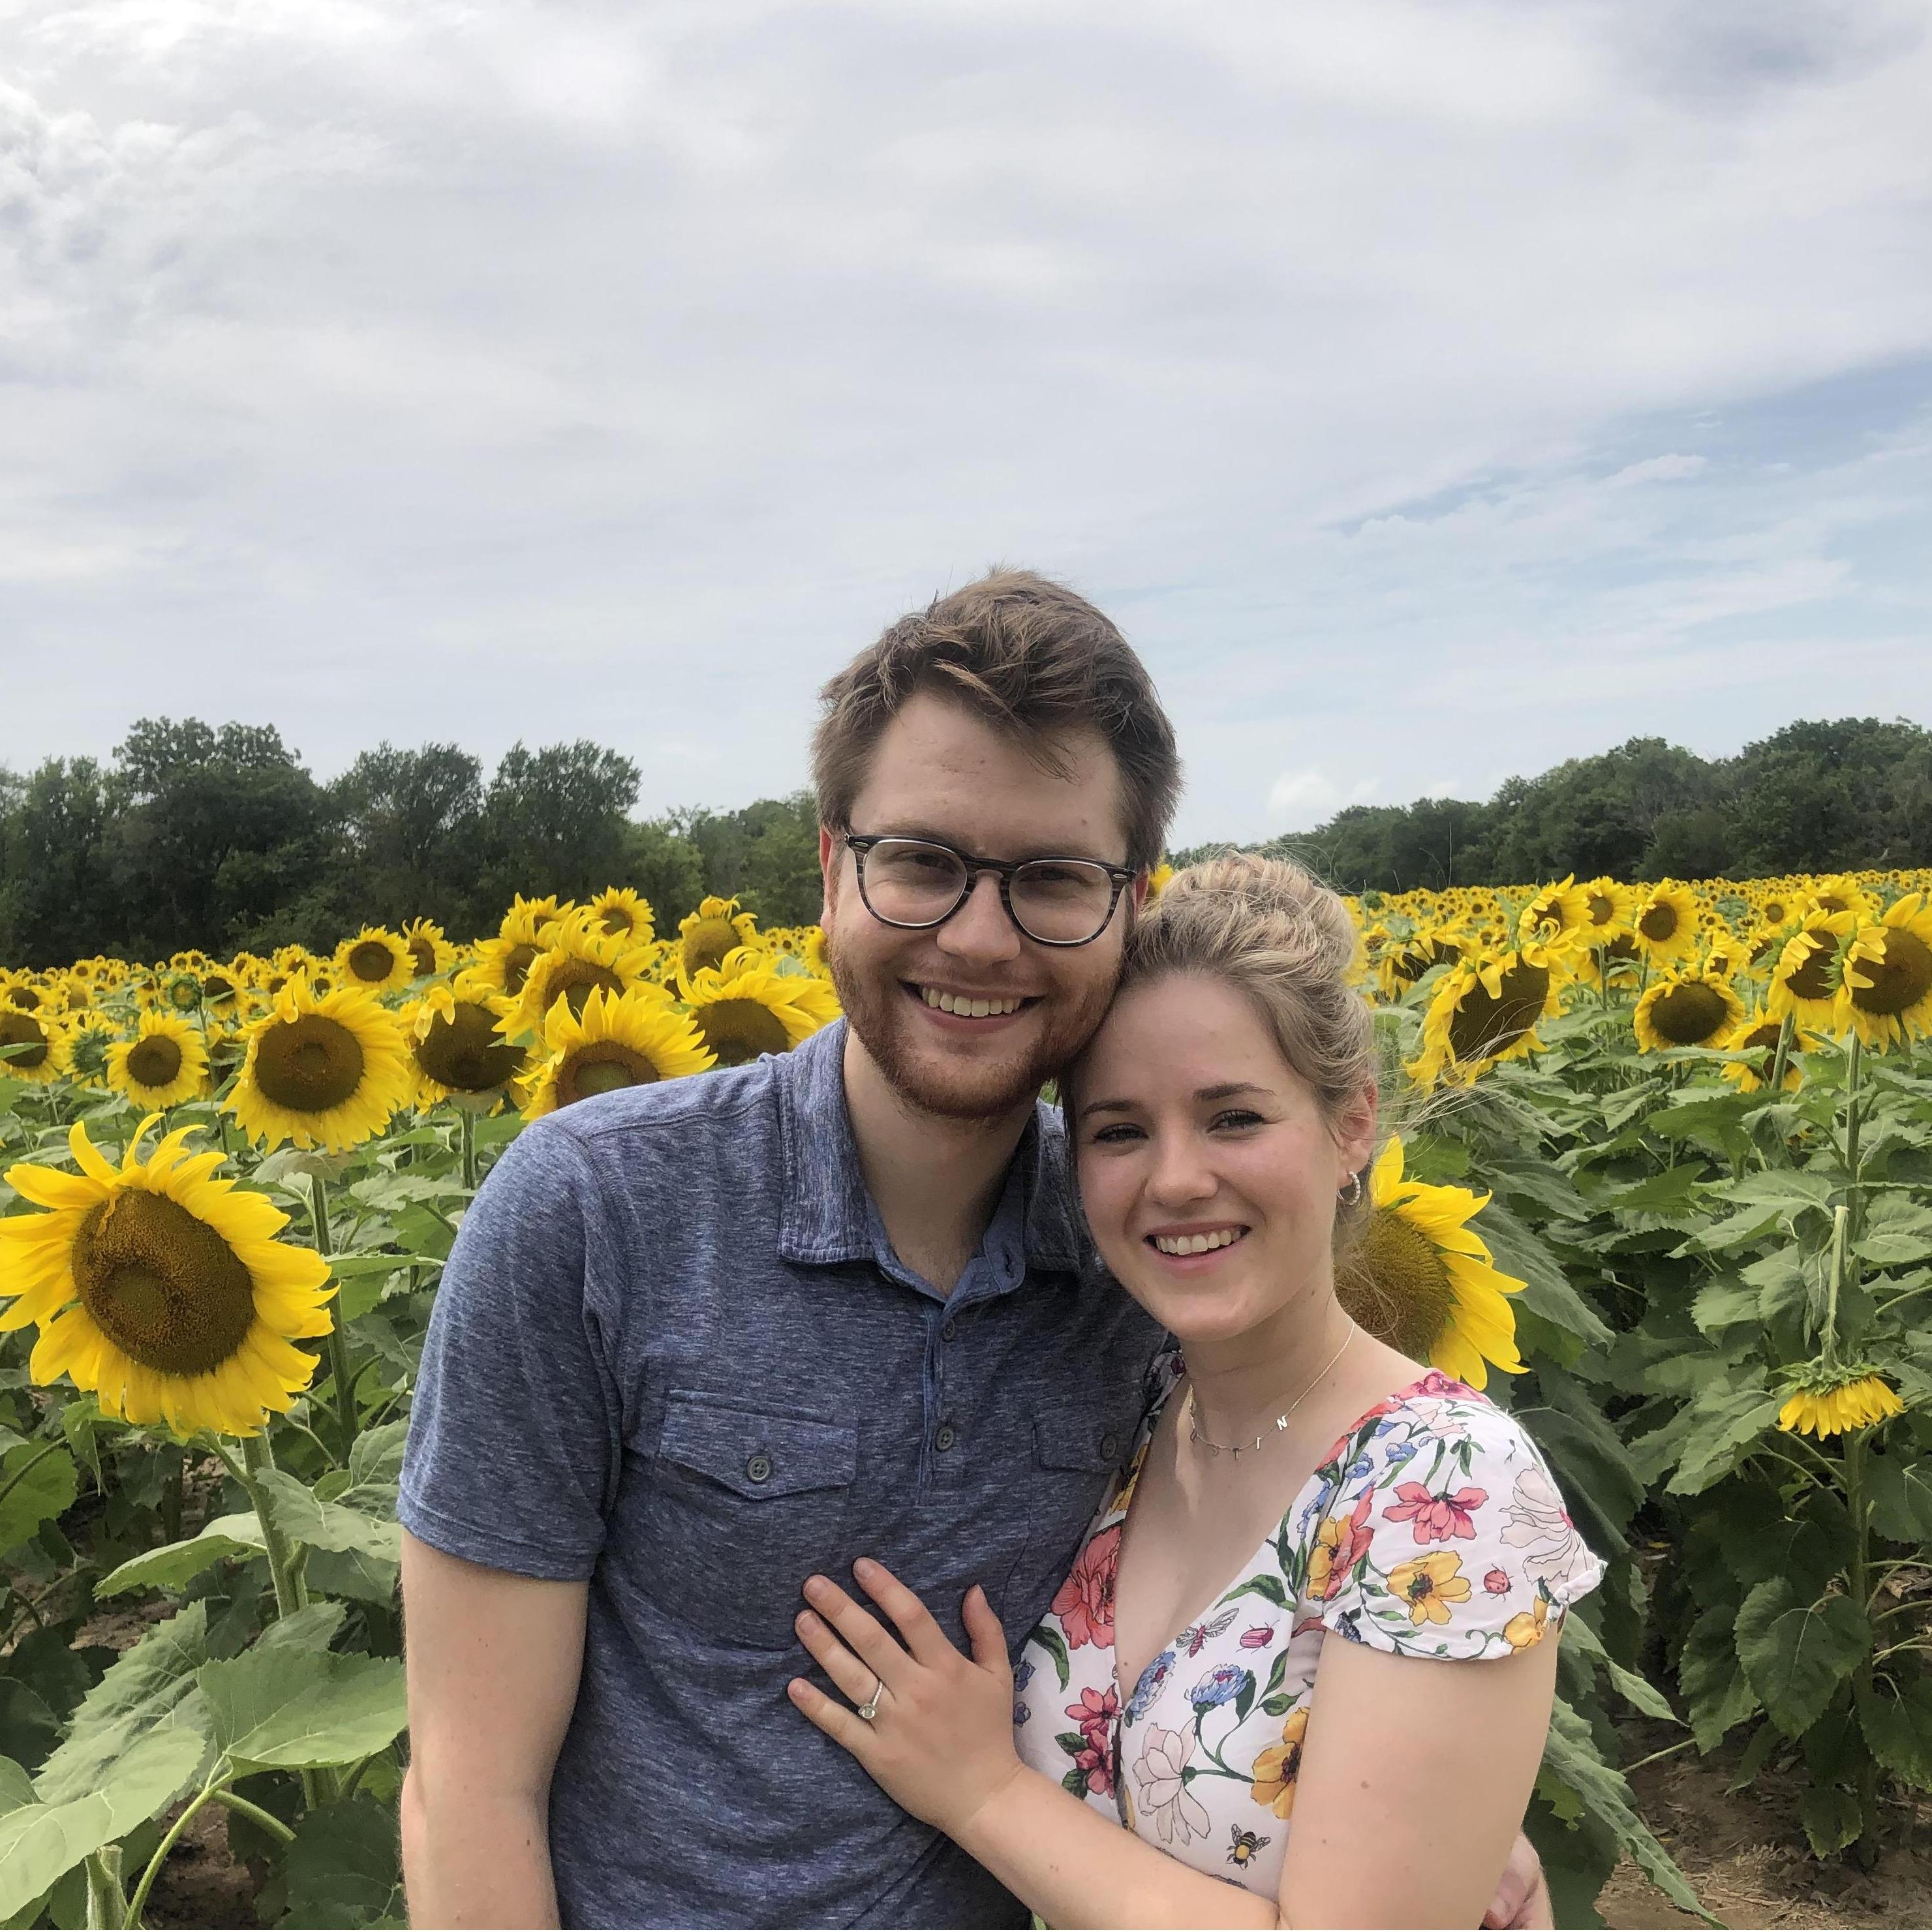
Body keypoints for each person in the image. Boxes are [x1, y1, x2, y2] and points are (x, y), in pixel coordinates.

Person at [397, 572, 1555, 1927]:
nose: (978, 935)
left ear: (1128, 902)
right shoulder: (592, 1212)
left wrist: (1430, 1808)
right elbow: (471, 1784)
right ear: (832, 867)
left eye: (1051, 876)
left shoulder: (1150, 1260)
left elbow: (1314, 1564)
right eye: (923, 861)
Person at [784, 853, 1602, 1927]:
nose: (1174, 1179)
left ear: (1350, 1124)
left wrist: (982, 1792)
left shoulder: (1448, 1483)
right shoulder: (1134, 1399)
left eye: (1232, 1118)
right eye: (1119, 1130)